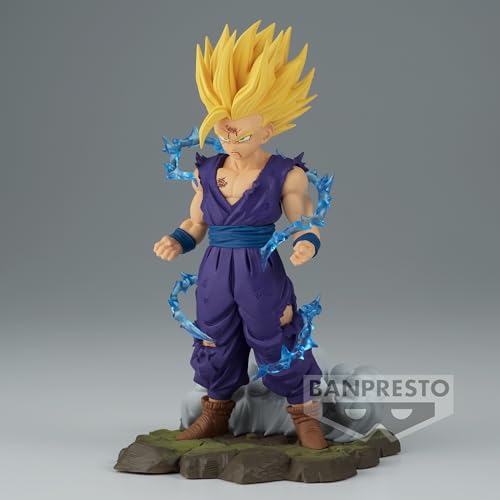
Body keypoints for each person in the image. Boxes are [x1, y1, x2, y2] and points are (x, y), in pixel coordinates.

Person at [153, 21, 327, 449]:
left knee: (275, 332)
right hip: (215, 269)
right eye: (222, 131)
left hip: (259, 268)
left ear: (267, 131)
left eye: (241, 133)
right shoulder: (206, 171)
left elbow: (303, 218)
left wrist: (306, 242)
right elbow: (196, 222)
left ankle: (304, 414)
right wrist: (177, 239)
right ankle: (214, 413)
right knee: (215, 336)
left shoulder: (285, 173)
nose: (229, 141)